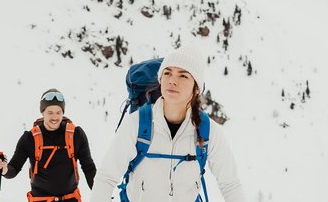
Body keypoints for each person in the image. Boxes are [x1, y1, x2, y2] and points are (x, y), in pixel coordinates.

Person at [90, 45, 246, 202]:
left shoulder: (208, 131)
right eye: (167, 73)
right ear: (160, 79)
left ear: (196, 88)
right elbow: (106, 178)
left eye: (183, 76)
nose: (172, 81)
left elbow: (230, 185)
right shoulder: (136, 124)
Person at [0, 89, 96, 202]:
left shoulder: (76, 135)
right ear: (42, 112)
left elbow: (89, 168)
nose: (54, 117)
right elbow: (14, 168)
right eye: (50, 112)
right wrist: (4, 169)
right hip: (40, 199)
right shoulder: (30, 138)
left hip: (70, 199)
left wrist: (101, 193)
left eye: (58, 112)